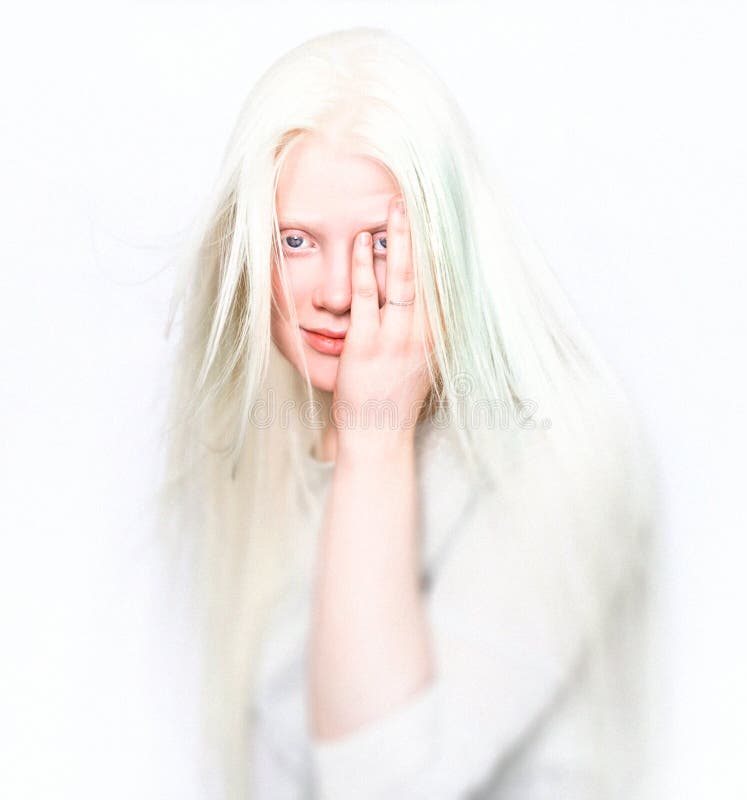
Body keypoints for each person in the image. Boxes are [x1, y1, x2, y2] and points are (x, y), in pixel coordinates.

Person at [157, 26, 658, 800]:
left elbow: (379, 787)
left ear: (449, 242)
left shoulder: (565, 450)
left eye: (378, 243)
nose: (333, 290)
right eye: (296, 240)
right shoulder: (268, 437)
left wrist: (375, 441)